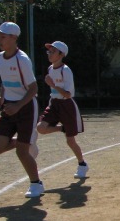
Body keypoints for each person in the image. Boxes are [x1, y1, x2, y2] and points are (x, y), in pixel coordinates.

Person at [0, 22, 42, 198]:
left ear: (14, 38)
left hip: (26, 108)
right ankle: (26, 141)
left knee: (21, 152)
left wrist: (18, 105)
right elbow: (5, 81)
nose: (0, 40)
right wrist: (1, 98)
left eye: (3, 37)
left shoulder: (22, 60)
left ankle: (36, 184)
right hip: (9, 107)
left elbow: (33, 88)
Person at [36, 41, 88, 178]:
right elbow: (54, 92)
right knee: (41, 128)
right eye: (49, 51)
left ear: (61, 54)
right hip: (54, 104)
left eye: (53, 51)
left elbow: (68, 94)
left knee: (70, 140)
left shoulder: (66, 70)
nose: (49, 54)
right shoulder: (50, 69)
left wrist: (53, 85)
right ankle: (61, 128)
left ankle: (82, 164)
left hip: (67, 105)